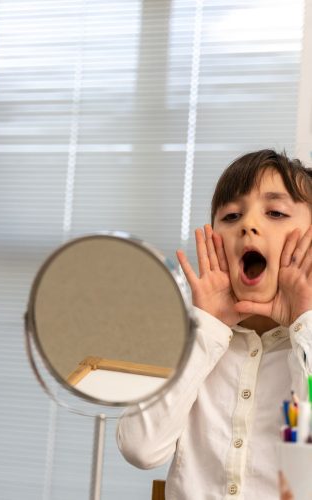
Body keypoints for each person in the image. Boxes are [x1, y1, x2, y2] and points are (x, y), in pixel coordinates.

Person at [116, 149, 312, 499]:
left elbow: (305, 472)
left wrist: (303, 323)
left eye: (277, 212)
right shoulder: (193, 338)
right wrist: (207, 328)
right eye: (232, 215)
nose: (248, 225)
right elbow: (141, 449)